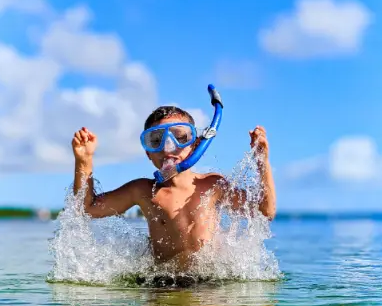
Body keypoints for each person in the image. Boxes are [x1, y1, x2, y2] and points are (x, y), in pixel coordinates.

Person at [72, 106, 276, 271]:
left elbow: (265, 211)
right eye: (156, 140)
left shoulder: (212, 185)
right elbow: (88, 208)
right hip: (163, 287)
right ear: (147, 154)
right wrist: (84, 160)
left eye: (180, 137)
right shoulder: (143, 190)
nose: (168, 147)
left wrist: (262, 161)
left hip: (209, 287)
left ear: (195, 145)